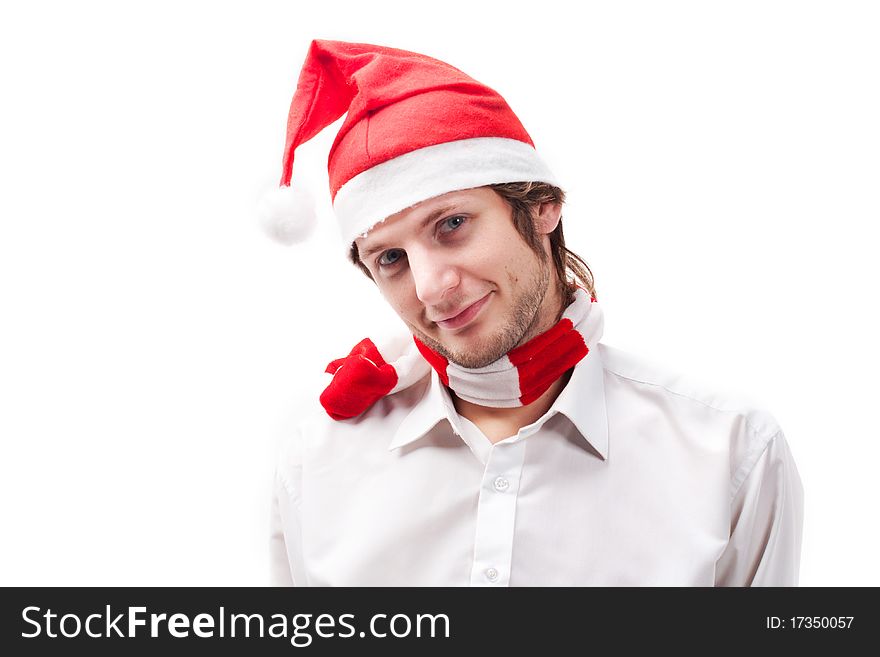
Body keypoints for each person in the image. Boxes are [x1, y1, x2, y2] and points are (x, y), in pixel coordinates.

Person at [264, 39, 804, 586]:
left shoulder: (728, 452)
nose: (431, 287)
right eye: (391, 258)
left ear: (542, 206)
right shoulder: (317, 461)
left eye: (451, 224)